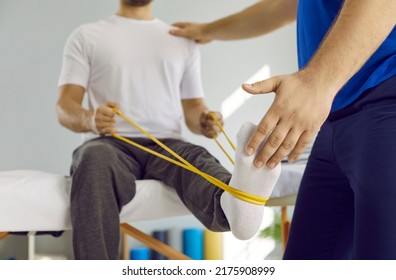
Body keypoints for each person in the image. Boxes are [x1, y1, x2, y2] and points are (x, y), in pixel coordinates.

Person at [170, 0, 396, 259]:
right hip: (334, 119)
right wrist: (207, 30)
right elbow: (282, 7)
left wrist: (316, 82)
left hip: (384, 104)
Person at [56, 0, 280, 260]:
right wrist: (89, 119)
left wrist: (205, 120)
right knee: (93, 160)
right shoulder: (85, 36)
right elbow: (65, 106)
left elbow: (194, 109)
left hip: (167, 143)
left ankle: (235, 205)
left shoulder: (182, 40)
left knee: (195, 158)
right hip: (109, 143)